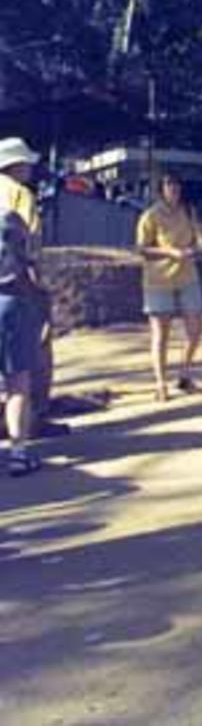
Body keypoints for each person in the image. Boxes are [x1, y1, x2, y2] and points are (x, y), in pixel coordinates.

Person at [136, 173, 202, 402]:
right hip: (158, 280)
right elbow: (142, 249)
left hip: (187, 276)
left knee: (195, 329)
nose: (173, 188)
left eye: (176, 184)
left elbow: (199, 239)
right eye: (168, 184)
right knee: (161, 334)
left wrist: (201, 247)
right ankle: (160, 384)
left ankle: (184, 375)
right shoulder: (150, 216)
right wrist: (170, 252)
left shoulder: (188, 211)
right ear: (161, 189)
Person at [0, 137, 47, 476]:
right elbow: (32, 253)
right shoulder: (20, 196)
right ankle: (19, 453)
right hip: (12, 297)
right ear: (15, 165)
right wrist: (41, 294)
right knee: (18, 381)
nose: (30, 168)